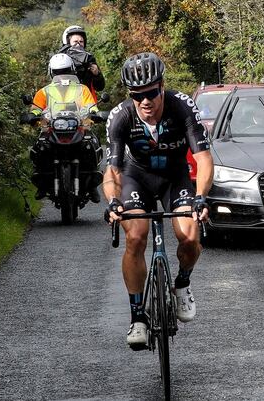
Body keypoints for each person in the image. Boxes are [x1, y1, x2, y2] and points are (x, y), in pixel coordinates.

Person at [103, 52, 214, 348]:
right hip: (135, 177)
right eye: (137, 95)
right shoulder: (121, 117)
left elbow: (203, 160)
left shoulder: (182, 107)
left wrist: (201, 198)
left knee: (189, 236)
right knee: (136, 237)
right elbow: (112, 170)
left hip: (174, 177)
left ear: (162, 86)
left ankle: (182, 283)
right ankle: (137, 316)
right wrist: (113, 202)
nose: (145, 101)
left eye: (151, 93)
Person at [28, 53, 102, 202]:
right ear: (52, 73)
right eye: (58, 73)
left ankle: (92, 185)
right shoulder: (44, 92)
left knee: (91, 145)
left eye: (65, 71)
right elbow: (35, 109)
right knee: (40, 148)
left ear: (72, 70)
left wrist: (94, 113)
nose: (62, 76)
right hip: (52, 128)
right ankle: (42, 184)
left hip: (79, 127)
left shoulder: (82, 89)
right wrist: (33, 116)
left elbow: (91, 106)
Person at [57, 25, 105, 100]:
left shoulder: (89, 59)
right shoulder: (61, 59)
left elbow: (100, 87)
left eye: (81, 42)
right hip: (65, 102)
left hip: (87, 103)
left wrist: (97, 74)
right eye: (75, 42)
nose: (78, 44)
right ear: (68, 42)